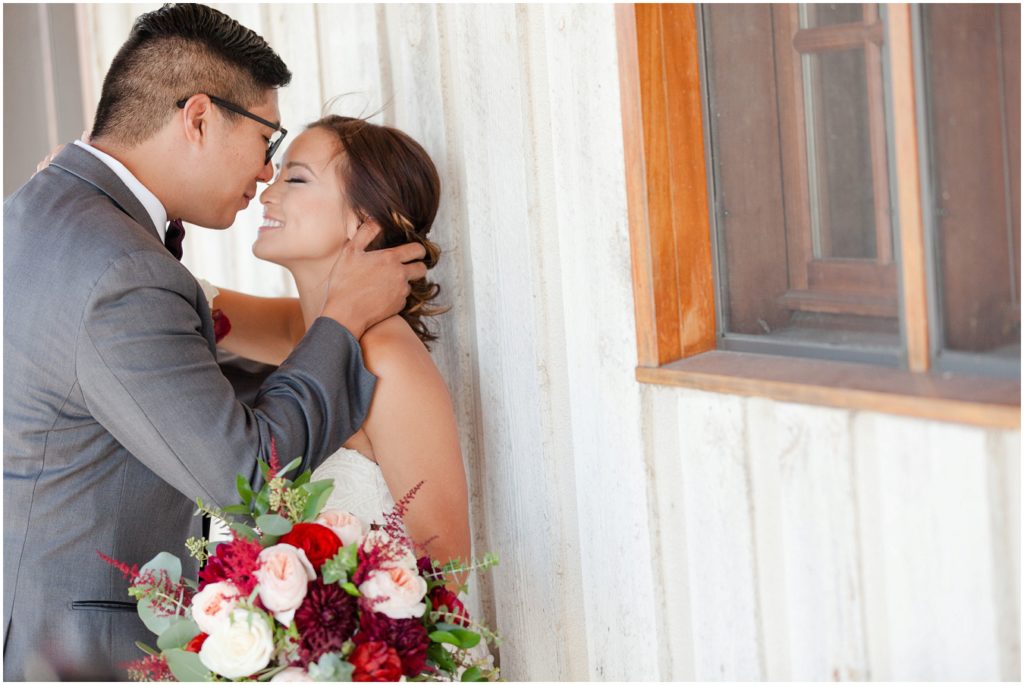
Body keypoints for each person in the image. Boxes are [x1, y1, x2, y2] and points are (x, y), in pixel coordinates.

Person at [2, 4, 426, 680]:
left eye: (293, 168)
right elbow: (247, 479)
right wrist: (341, 318)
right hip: (87, 657)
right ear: (198, 118)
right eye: (268, 141)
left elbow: (187, 371)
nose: (265, 176)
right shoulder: (119, 267)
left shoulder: (37, 209)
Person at [218, 116, 471, 574]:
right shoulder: (302, 332)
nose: (267, 193)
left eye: (294, 178)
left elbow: (445, 571)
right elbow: (187, 308)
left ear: (363, 222)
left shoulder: (386, 358)